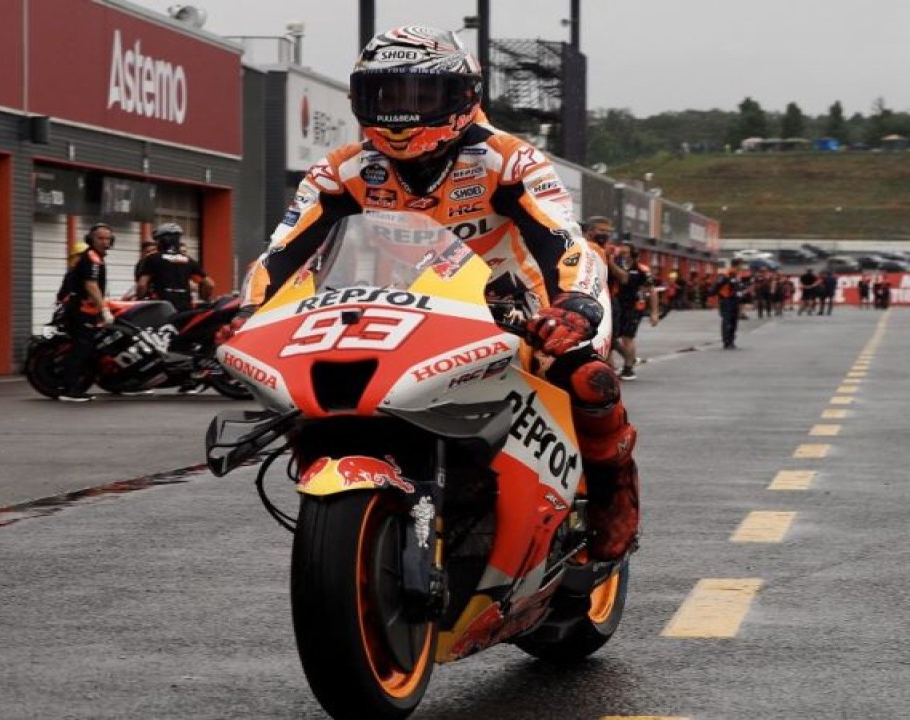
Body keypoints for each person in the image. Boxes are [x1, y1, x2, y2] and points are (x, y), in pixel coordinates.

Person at [232, 26, 638, 562]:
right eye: (385, 95)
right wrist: (248, 310)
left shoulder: (510, 160)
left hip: (521, 307)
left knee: (587, 378)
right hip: (404, 306)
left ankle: (613, 492)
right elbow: (281, 253)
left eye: (421, 95)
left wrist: (575, 303)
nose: (401, 113)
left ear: (463, 96)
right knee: (320, 389)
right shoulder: (340, 170)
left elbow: (564, 238)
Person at [55, 222, 115, 402]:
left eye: (108, 239)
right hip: (80, 310)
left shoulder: (97, 258)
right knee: (81, 349)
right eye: (100, 238)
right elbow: (91, 285)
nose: (104, 242)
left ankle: (76, 387)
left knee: (86, 349)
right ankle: (68, 390)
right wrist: (104, 309)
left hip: (86, 310)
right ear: (91, 239)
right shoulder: (92, 257)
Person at [606, 242, 659, 380]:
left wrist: (654, 312)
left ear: (633, 254)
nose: (623, 256)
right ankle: (625, 360)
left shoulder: (641, 269)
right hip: (616, 305)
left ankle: (628, 369)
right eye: (621, 253)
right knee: (611, 338)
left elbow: (652, 291)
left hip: (635, 306)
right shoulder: (613, 265)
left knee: (627, 337)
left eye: (625, 253)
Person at [135, 223, 214, 311]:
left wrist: (139, 300)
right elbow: (209, 284)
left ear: (161, 240)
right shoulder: (188, 260)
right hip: (184, 308)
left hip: (160, 308)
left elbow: (142, 285)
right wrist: (205, 299)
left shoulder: (152, 259)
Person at [714, 259, 744, 349]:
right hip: (727, 300)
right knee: (727, 321)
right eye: (741, 265)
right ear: (737, 265)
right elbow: (718, 287)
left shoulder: (736, 275)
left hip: (734, 300)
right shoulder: (728, 275)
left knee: (733, 321)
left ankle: (731, 340)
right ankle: (727, 341)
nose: (742, 267)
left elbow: (737, 288)